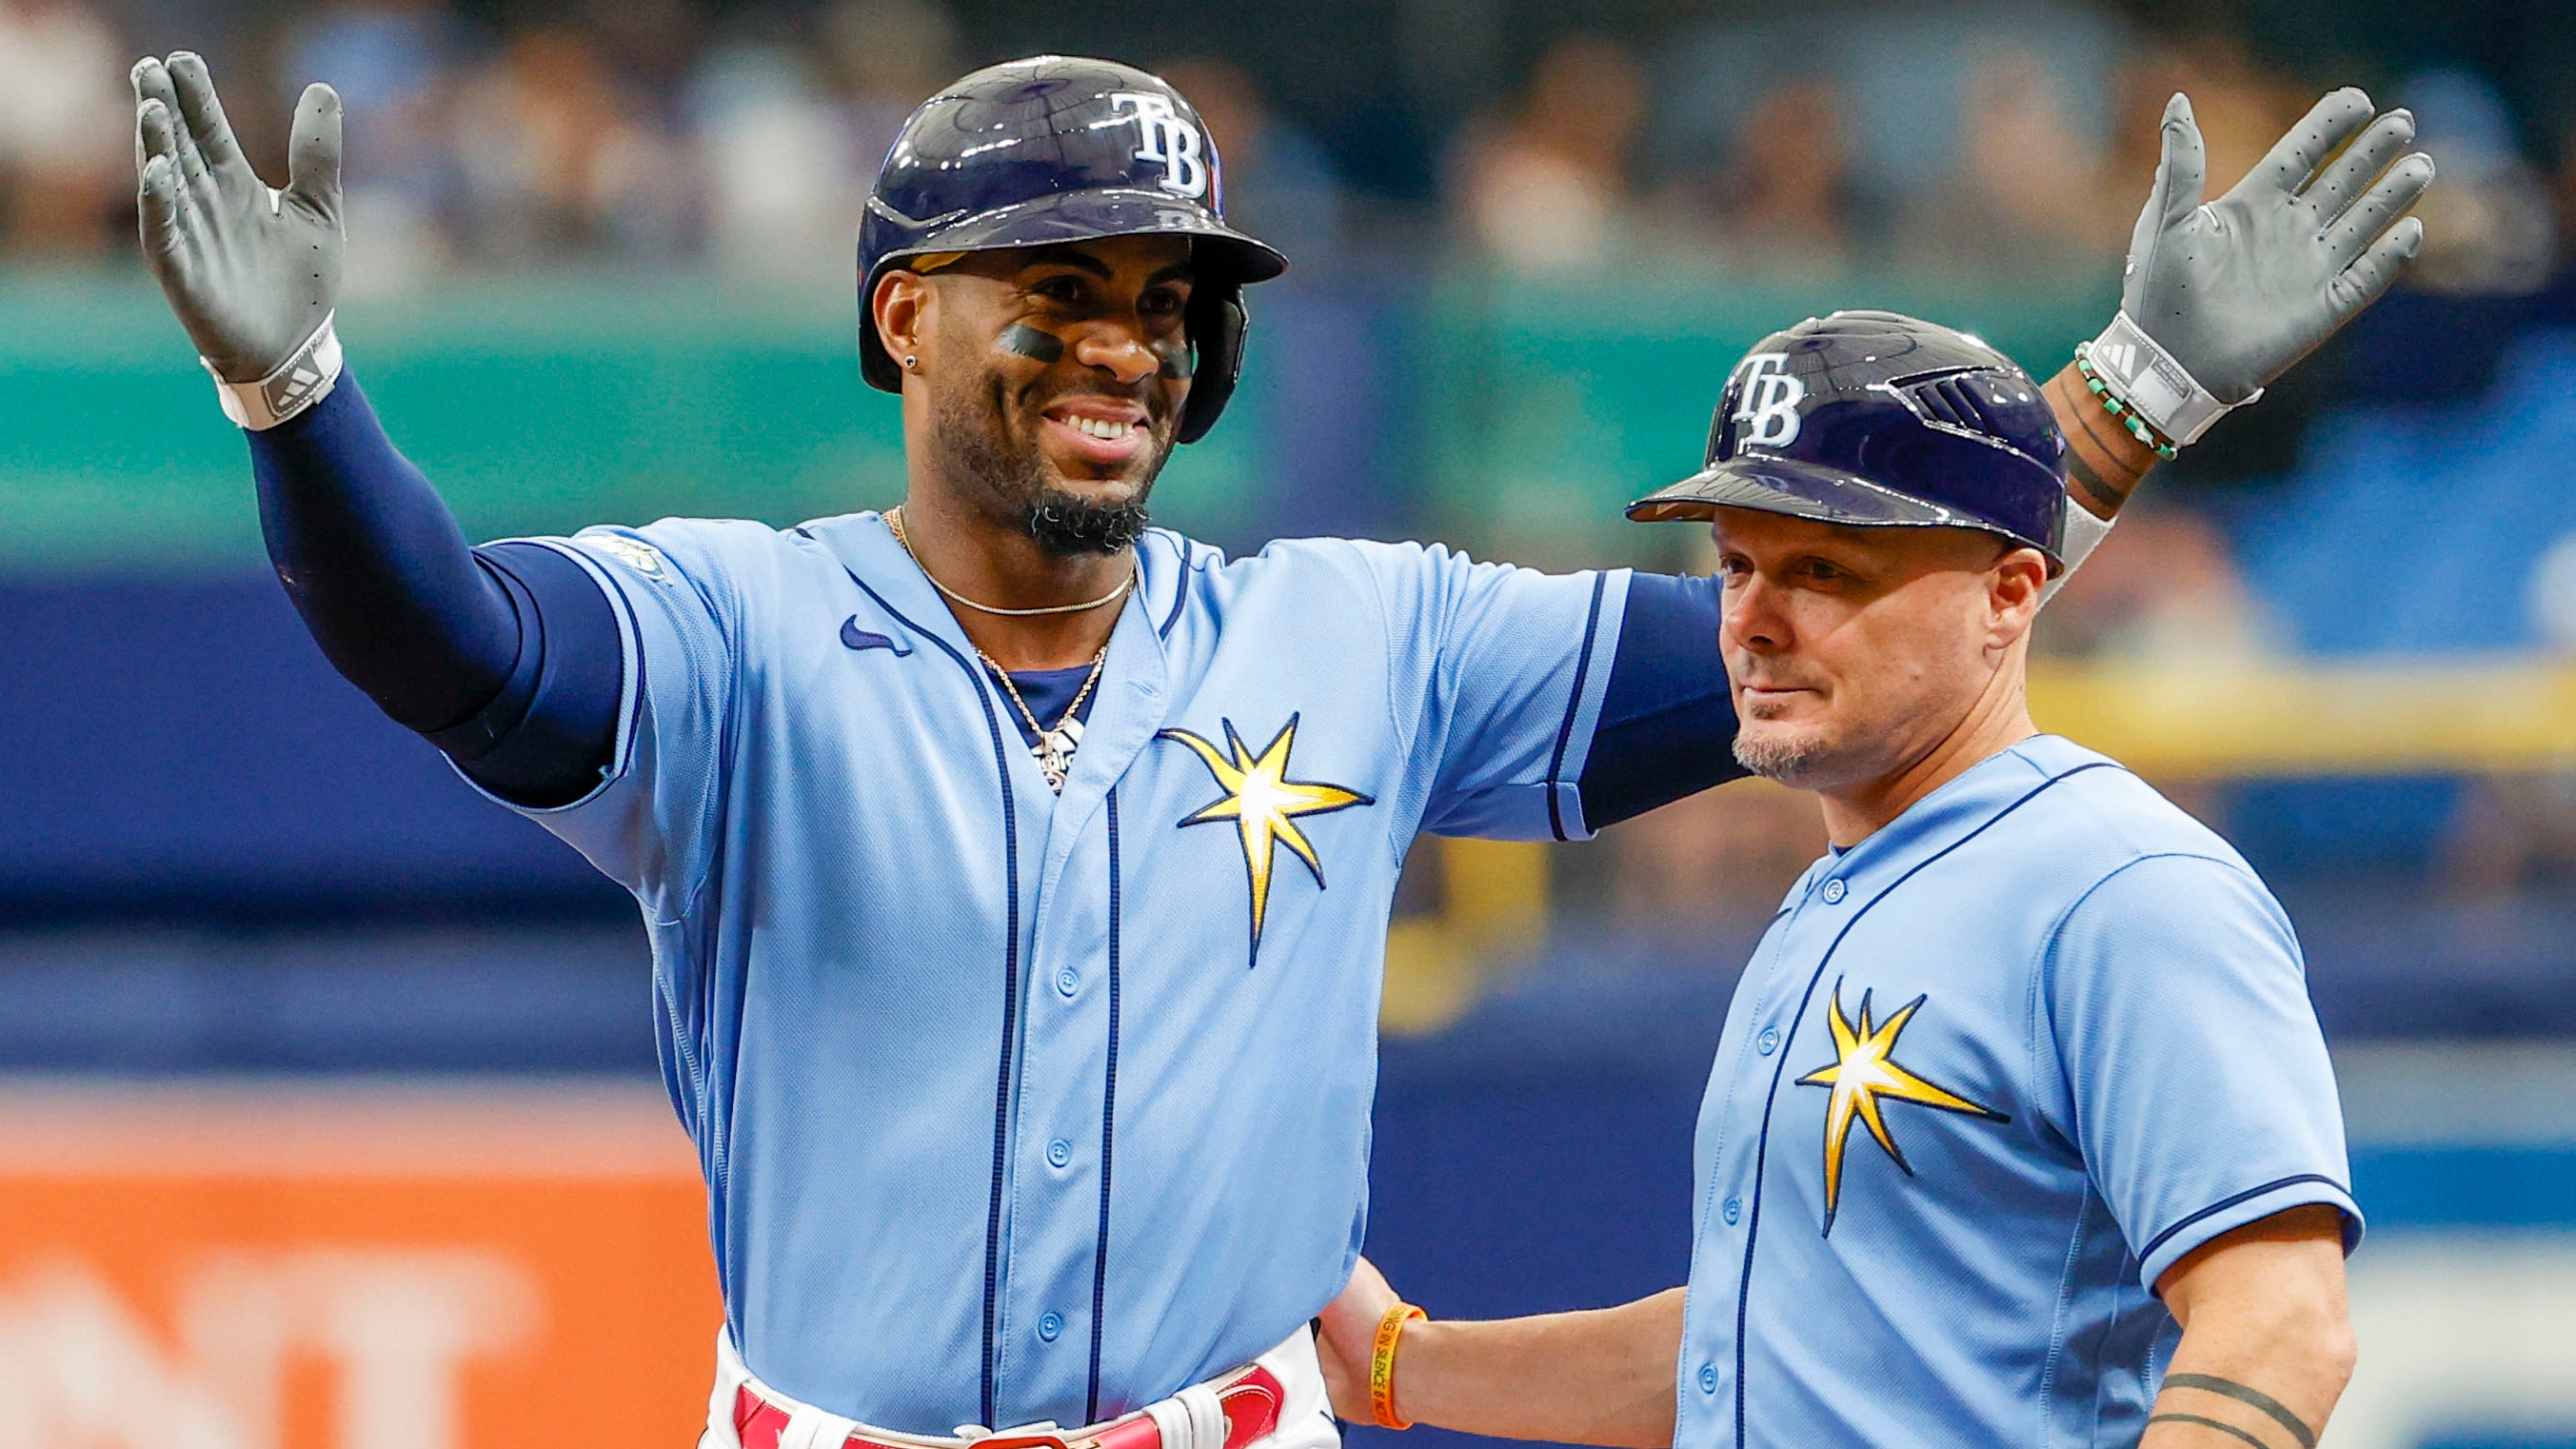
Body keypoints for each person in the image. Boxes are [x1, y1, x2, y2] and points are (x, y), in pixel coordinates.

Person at [123, 48, 2425, 1449]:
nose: (1129, 343)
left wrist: (2120, 400)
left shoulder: (1360, 630)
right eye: (1069, 290)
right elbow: (451, 646)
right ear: (902, 315)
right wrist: (298, 405)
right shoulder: (731, 629)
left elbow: (1844, 597)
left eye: (1170, 303)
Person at [1312, 314, 2363, 1449]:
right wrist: (1402, 1367)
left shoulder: (2122, 886)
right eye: (1737, 564)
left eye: (1823, 567)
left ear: (2010, 595)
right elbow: (1757, 1355)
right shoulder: (1848, 889)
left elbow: (2282, 1324)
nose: (1753, 621)